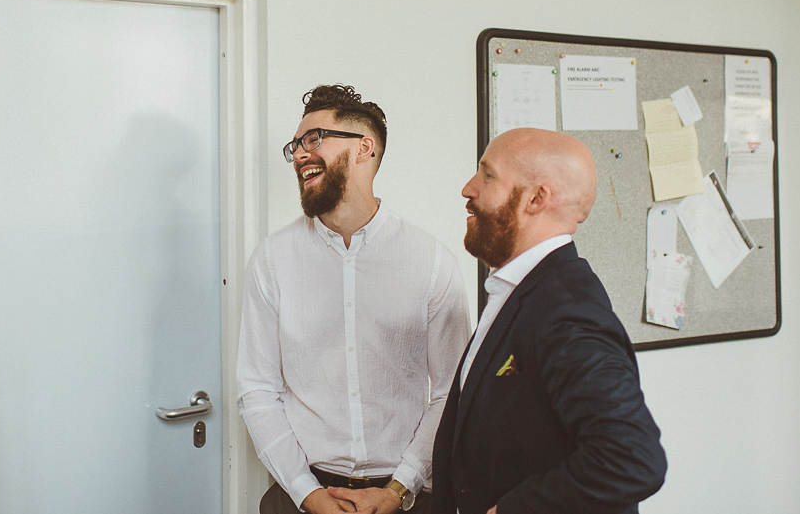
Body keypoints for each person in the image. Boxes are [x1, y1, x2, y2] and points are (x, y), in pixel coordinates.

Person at [238, 85, 470, 514]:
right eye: (296, 146)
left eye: (315, 139)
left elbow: (449, 392)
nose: (301, 154)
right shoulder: (273, 259)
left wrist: (400, 488)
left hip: (409, 497)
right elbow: (257, 390)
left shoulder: (431, 260)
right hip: (301, 494)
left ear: (364, 148)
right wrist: (307, 494)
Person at [431, 128, 666, 514]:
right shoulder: (521, 289)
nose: (468, 189)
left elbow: (633, 458)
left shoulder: (568, 311)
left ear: (537, 199)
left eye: (487, 175)